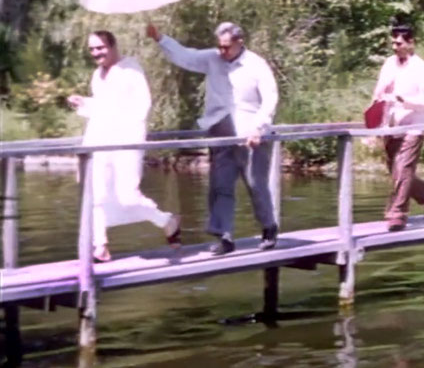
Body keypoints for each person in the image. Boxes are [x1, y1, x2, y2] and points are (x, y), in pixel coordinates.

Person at [146, 21, 279, 255]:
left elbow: (269, 97)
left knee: (256, 184)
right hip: (220, 129)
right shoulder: (213, 58)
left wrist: (259, 127)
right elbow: (185, 56)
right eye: (219, 46)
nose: (222, 51)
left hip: (250, 131)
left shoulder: (256, 64)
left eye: (227, 47)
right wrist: (160, 38)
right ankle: (224, 236)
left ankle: (269, 227)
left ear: (240, 42)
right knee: (220, 186)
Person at [67, 31, 180, 263]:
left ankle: (167, 221)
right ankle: (101, 245)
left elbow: (141, 106)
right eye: (92, 49)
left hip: (126, 141)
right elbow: (103, 107)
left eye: (100, 47)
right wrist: (84, 103)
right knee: (95, 193)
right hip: (99, 141)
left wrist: (129, 138)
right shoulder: (97, 75)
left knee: (129, 197)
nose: (96, 53)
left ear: (113, 45)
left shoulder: (131, 70)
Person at [371, 24, 424, 232]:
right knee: (395, 171)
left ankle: (397, 215)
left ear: (411, 43)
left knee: (404, 169)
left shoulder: (421, 68)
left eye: (399, 43)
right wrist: (372, 124)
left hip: (414, 125)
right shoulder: (389, 64)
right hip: (391, 125)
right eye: (392, 42)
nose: (394, 47)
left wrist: (404, 100)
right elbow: (379, 92)